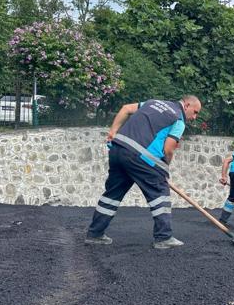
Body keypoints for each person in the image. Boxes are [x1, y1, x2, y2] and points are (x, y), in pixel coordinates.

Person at [85, 95, 202, 249]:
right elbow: (168, 149)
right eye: (195, 112)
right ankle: (163, 237)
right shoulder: (178, 119)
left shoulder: (153, 102)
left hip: (118, 149)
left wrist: (113, 132)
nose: (194, 117)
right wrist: (164, 169)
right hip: (140, 156)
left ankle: (95, 234)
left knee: (112, 194)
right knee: (160, 191)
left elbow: (126, 108)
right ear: (186, 105)